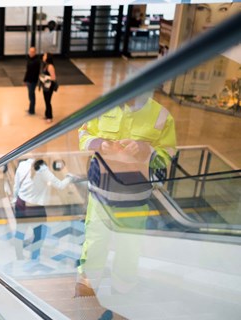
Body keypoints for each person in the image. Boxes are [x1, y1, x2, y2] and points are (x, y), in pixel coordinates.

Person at [75, 91, 176, 298]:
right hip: (100, 194)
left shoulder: (161, 116)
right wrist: (98, 143)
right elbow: (83, 134)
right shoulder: (103, 106)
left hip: (135, 198)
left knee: (129, 245)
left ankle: (123, 288)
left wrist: (145, 150)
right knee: (94, 240)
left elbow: (167, 154)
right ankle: (88, 284)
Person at [38, 52, 57, 123]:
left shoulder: (50, 66)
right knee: (46, 100)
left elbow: (53, 78)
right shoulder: (46, 65)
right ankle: (47, 115)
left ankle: (50, 116)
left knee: (48, 101)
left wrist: (45, 78)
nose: (43, 56)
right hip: (45, 86)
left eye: (44, 55)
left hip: (49, 86)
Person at [23, 47, 40, 115]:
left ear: (35, 52)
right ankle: (30, 108)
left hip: (32, 81)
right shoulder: (30, 59)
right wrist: (26, 80)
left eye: (32, 52)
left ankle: (32, 111)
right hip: (29, 80)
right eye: (30, 51)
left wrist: (27, 80)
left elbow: (32, 72)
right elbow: (28, 71)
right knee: (30, 95)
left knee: (31, 95)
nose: (31, 53)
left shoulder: (36, 61)